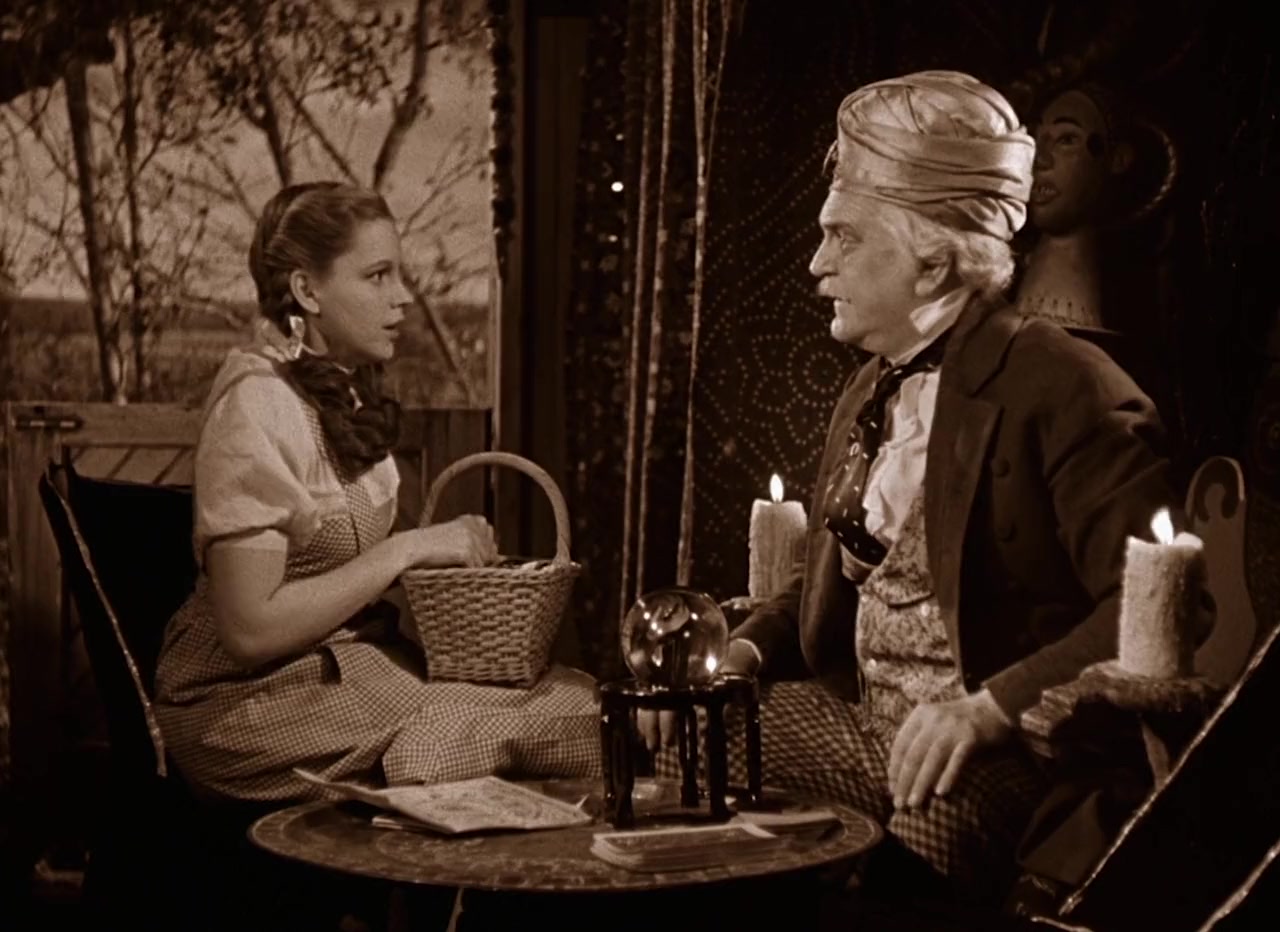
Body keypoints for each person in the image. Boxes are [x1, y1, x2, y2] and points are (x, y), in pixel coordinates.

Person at [641, 70, 1180, 907]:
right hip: (864, 723)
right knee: (684, 746)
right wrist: (737, 657)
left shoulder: (1067, 386)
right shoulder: (870, 386)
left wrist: (986, 710)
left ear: (932, 261)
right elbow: (828, 584)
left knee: (920, 842)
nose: (818, 263)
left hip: (1013, 756)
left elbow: (1150, 610)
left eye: (844, 238)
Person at [154, 182, 600, 804]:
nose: (402, 297)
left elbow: (345, 570)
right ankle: (426, 801)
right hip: (245, 703)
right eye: (377, 276)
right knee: (538, 725)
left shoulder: (342, 397)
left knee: (574, 697)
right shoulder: (257, 405)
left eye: (399, 275)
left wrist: (455, 568)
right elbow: (249, 630)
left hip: (342, 672)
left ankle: (437, 791)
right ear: (307, 291)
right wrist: (406, 550)